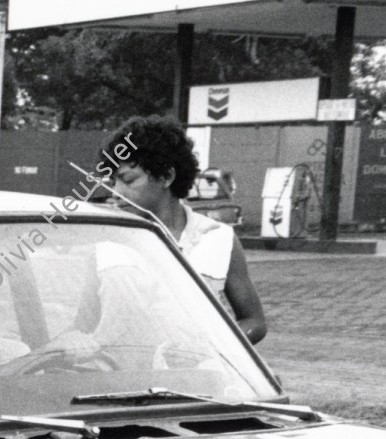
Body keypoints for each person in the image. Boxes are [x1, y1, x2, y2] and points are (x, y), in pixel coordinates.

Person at [100, 115, 266, 343]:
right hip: (125, 373)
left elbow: (254, 322)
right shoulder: (106, 241)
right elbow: (85, 324)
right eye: (112, 182)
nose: (116, 192)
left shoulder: (218, 239)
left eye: (128, 181)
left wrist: (215, 347)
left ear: (167, 176)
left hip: (195, 374)